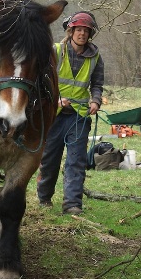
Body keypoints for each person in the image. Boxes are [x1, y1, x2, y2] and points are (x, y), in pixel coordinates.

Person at [37, 11, 105, 214]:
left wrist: (95, 100)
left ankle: (72, 204)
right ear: (71, 31)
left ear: (89, 34)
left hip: (79, 116)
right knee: (50, 160)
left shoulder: (95, 57)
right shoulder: (55, 51)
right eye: (79, 30)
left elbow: (97, 84)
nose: (82, 34)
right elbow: (40, 80)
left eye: (86, 31)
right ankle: (44, 198)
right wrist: (55, 99)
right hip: (54, 114)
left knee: (76, 161)